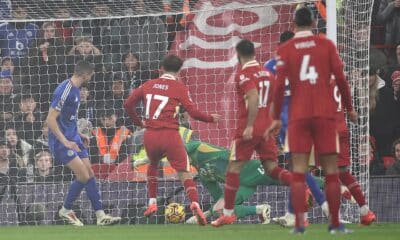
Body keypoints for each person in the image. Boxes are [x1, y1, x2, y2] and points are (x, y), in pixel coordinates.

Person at [266, 8, 357, 234]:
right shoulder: (325, 45)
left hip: (296, 117)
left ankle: (299, 222)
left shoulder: (283, 52)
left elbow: (277, 88)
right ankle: (334, 221)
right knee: (330, 170)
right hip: (325, 115)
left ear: (294, 24)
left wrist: (275, 117)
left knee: (298, 169)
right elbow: (341, 79)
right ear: (315, 22)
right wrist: (349, 108)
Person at [124, 55, 221, 225]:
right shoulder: (179, 87)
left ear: (161, 68)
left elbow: (128, 104)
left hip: (150, 135)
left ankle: (152, 202)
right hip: (170, 135)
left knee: (153, 165)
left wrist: (139, 122)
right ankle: (195, 203)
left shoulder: (148, 84)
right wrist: (210, 118)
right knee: (184, 172)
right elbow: (193, 112)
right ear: (179, 71)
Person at [211, 39, 292, 227]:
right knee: (272, 168)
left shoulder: (243, 74)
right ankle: (301, 187)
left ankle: (228, 213)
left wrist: (249, 125)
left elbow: (253, 96)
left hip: (248, 129)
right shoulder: (268, 73)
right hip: (266, 129)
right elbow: (274, 100)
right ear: (254, 53)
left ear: (238, 54)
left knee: (233, 169)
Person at [46, 60, 121, 226]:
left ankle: (100, 215)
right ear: (85, 75)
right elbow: (50, 120)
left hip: (74, 138)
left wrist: (78, 134)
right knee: (83, 175)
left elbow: (68, 119)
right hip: (61, 142)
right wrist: (65, 141)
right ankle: (65, 210)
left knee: (90, 174)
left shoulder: (77, 91)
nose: (91, 78)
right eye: (91, 75)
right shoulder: (64, 90)